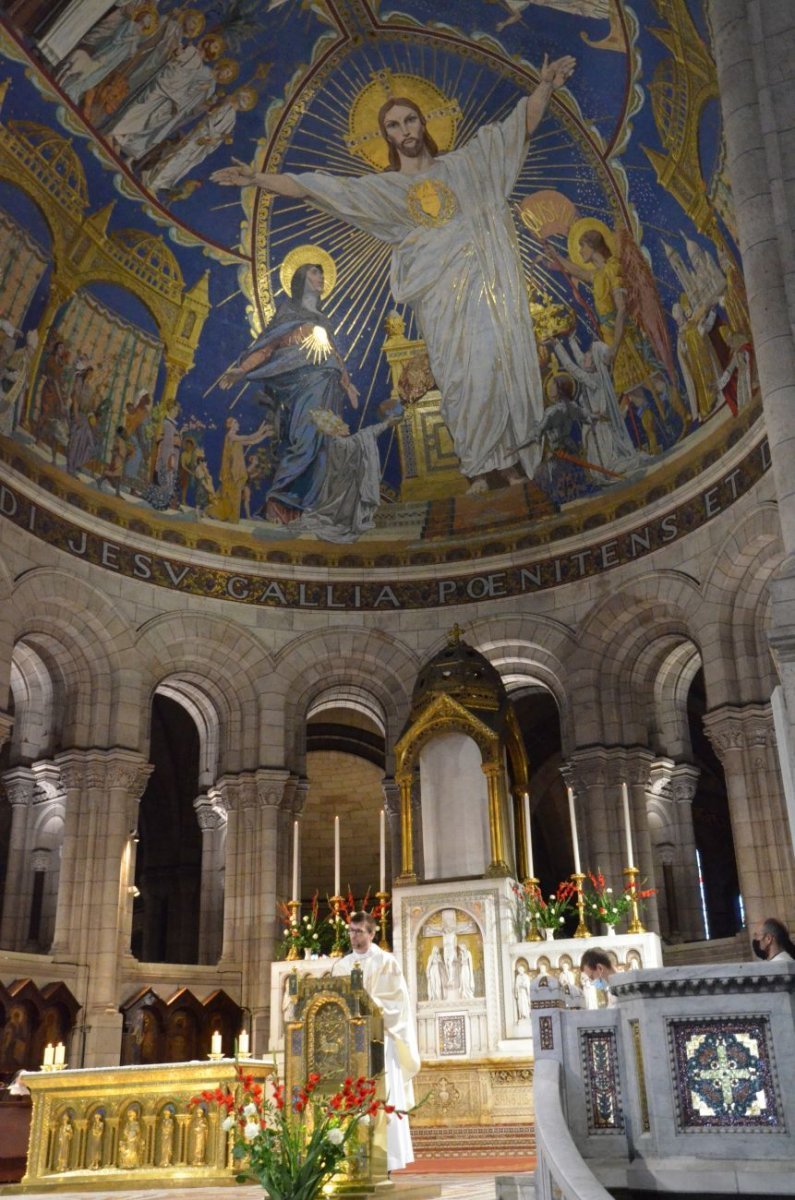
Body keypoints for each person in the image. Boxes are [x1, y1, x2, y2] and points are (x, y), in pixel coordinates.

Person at [212, 54, 576, 496]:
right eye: (393, 127)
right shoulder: (384, 190)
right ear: (385, 136)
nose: (404, 131)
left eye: (409, 121)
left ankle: (510, 462)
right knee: (459, 377)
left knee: (492, 364)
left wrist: (545, 87)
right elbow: (319, 187)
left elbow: (517, 131)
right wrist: (257, 179)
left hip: (483, 290)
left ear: (423, 123)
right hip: (440, 300)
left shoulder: (465, 166)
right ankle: (480, 468)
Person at [219, 260, 359, 524]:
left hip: (328, 386)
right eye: (315, 273)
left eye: (321, 274)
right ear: (302, 278)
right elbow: (267, 347)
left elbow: (334, 354)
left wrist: (347, 383)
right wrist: (242, 369)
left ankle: (309, 508)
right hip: (303, 385)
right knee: (305, 442)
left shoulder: (323, 320)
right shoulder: (288, 311)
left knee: (325, 447)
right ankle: (279, 500)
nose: (321, 278)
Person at [331, 911, 420, 1171]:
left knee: (384, 1093)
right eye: (350, 930)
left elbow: (397, 1003)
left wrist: (368, 1005)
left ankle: (386, 1160)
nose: (353, 936)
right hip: (351, 1044)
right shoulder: (341, 966)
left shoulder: (387, 962)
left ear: (372, 933)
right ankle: (351, 1158)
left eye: (359, 931)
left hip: (380, 1040)